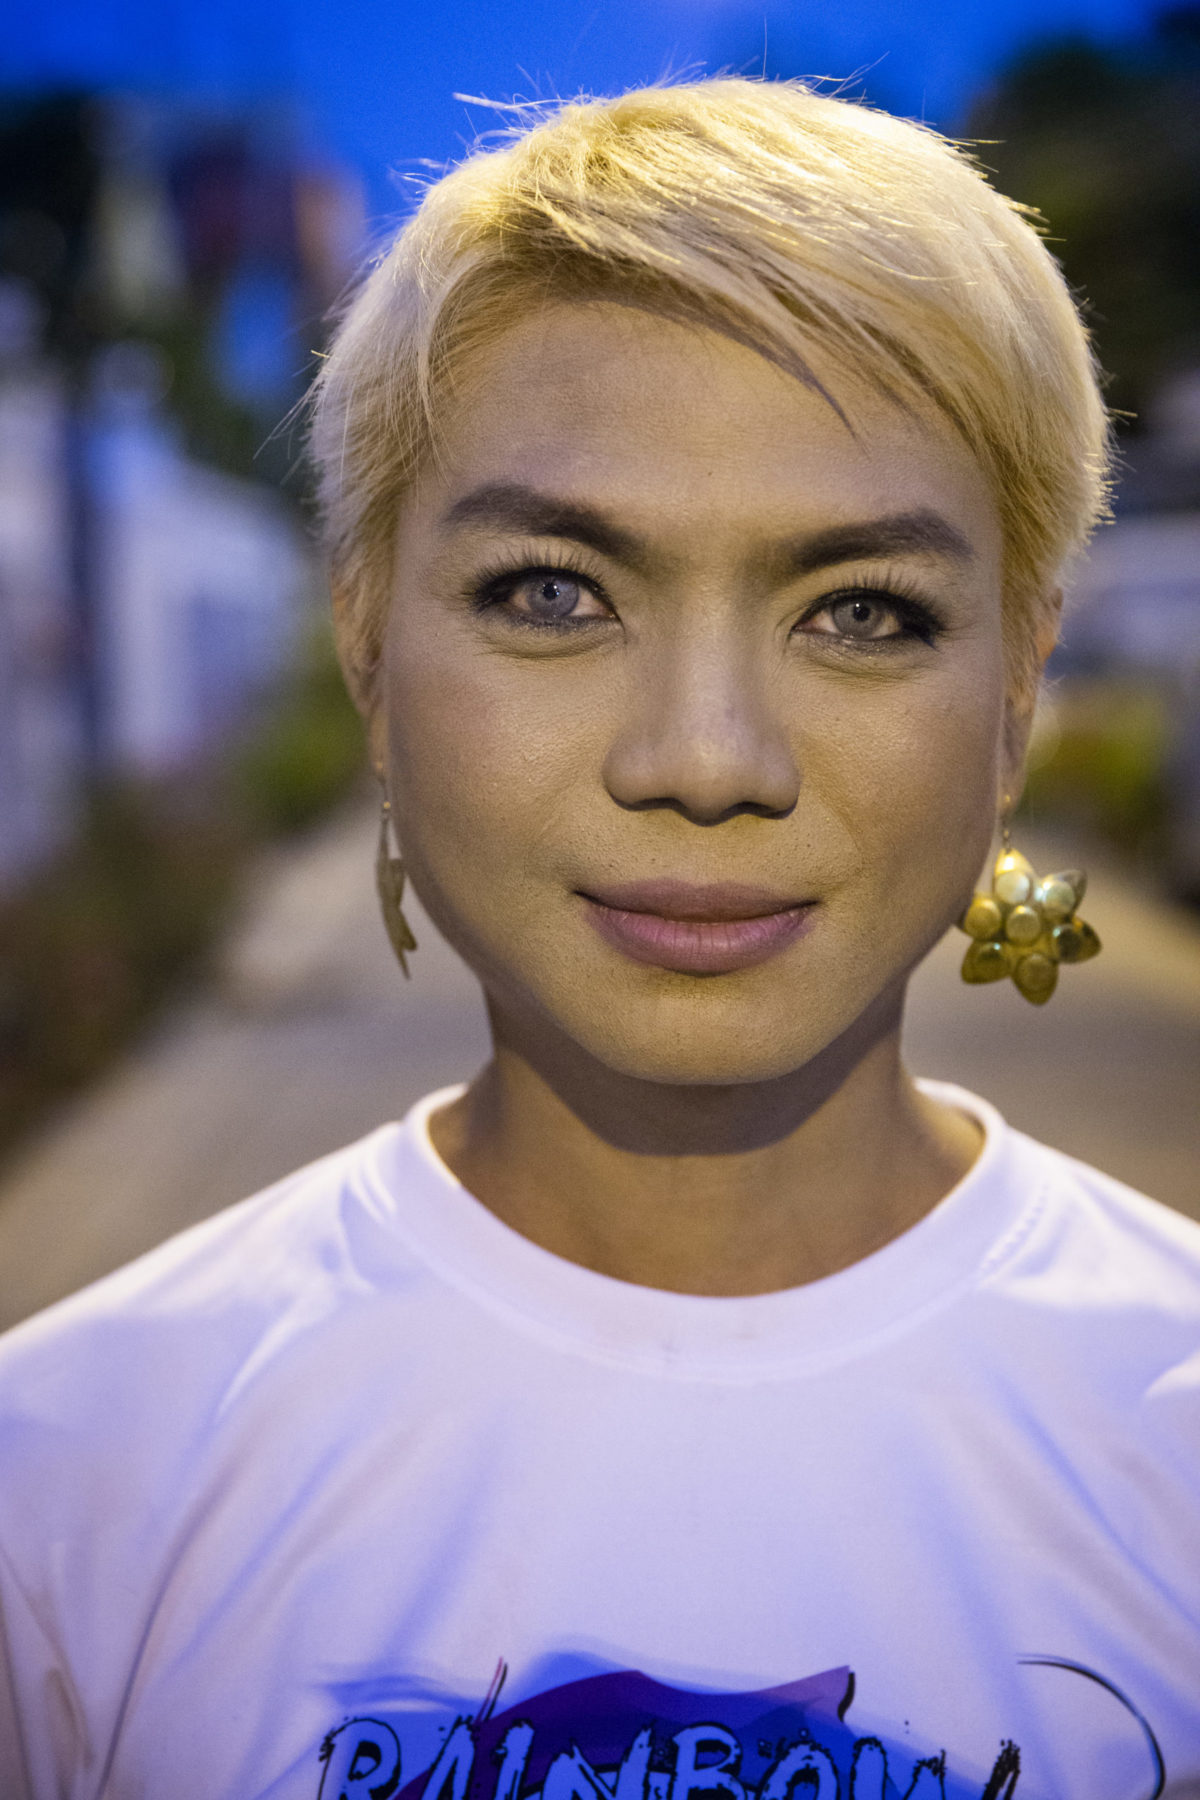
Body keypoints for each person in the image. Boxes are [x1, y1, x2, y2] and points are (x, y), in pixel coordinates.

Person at [1, 77, 1198, 1800]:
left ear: (1017, 692)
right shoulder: (68, 1480)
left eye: (860, 612)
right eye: (553, 592)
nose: (705, 759)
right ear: (368, 658)